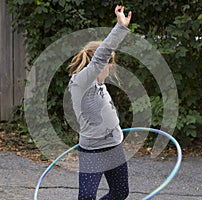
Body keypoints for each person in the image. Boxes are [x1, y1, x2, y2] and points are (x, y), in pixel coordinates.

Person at [68, 5, 132, 200]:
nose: (109, 68)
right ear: (97, 62)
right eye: (108, 63)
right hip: (92, 151)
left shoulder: (99, 84)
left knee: (120, 192)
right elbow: (101, 55)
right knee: (86, 197)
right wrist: (120, 27)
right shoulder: (81, 81)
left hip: (114, 146)